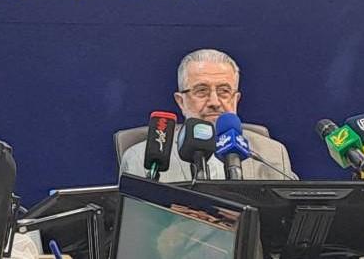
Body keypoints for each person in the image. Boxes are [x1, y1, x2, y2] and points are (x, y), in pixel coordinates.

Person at [120, 48, 295, 181]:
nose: (214, 102)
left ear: (236, 99)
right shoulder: (140, 159)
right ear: (181, 102)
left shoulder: (272, 153)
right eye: (202, 91)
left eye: (224, 91)